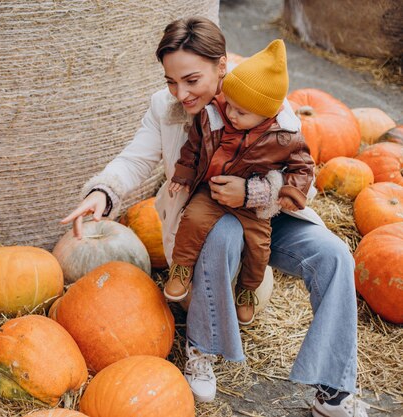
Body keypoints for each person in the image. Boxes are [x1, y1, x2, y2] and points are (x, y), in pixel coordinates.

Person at [61, 16, 369, 417]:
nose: (180, 92)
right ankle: (201, 347)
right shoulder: (166, 108)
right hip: (205, 221)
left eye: (191, 80)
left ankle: (334, 390)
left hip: (270, 217)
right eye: (171, 81)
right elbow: (135, 159)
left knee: (335, 256)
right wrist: (103, 193)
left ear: (221, 66)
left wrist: (256, 192)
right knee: (222, 232)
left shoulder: (262, 93)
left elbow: (304, 180)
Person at [164, 39, 314, 328]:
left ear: (267, 114)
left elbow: (304, 167)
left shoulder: (285, 136)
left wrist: (289, 192)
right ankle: (181, 269)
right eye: (229, 105)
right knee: (192, 220)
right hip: (213, 190)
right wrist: (182, 175)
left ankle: (247, 290)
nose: (231, 114)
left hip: (253, 204)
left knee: (259, 247)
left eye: (241, 112)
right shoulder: (214, 115)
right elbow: (193, 149)